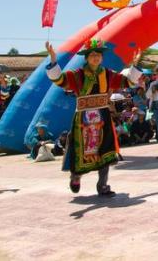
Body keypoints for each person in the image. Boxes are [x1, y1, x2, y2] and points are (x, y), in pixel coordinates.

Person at [45, 39, 143, 196]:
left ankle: (102, 185)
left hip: (103, 116)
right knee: (81, 148)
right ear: (86, 58)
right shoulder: (77, 75)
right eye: (92, 55)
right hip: (83, 118)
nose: (96, 58)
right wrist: (53, 59)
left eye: (98, 55)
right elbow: (59, 80)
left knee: (106, 149)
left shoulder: (108, 74)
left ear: (102, 58)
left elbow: (128, 82)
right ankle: (76, 176)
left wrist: (135, 65)